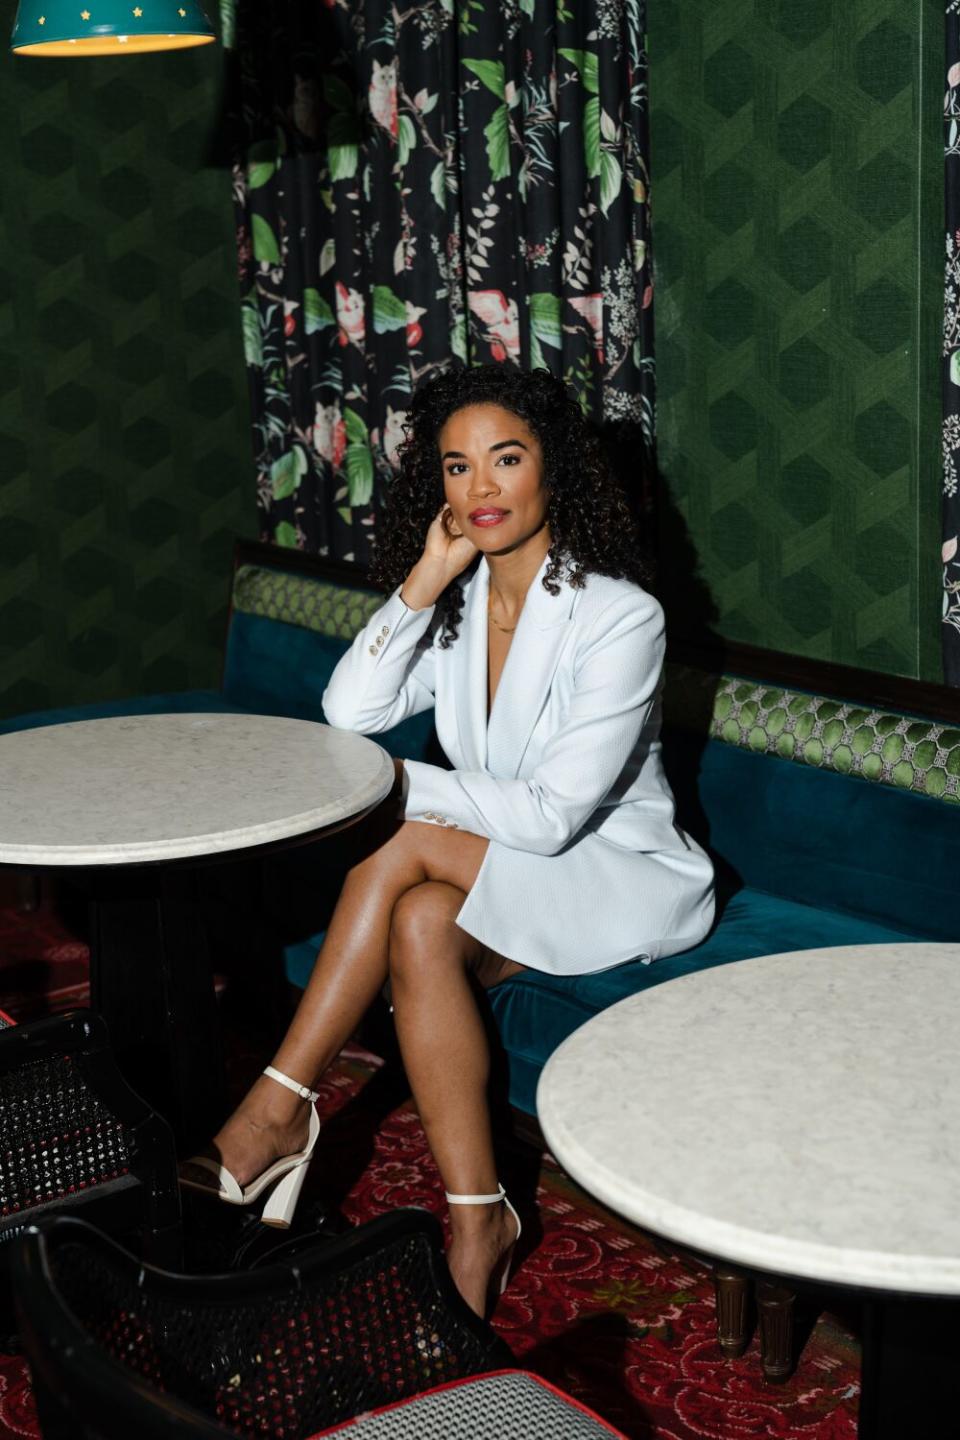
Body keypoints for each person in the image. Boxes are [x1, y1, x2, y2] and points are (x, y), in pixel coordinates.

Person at [181, 365, 715, 1317]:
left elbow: (553, 815)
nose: (481, 490)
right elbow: (351, 707)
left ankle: (275, 1110)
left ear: (555, 470)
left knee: (405, 845)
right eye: (458, 468)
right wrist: (426, 578)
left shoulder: (620, 616)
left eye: (505, 460)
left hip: (617, 873)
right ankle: (481, 1221)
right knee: (422, 922)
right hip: (517, 863)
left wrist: (398, 788)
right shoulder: (463, 606)